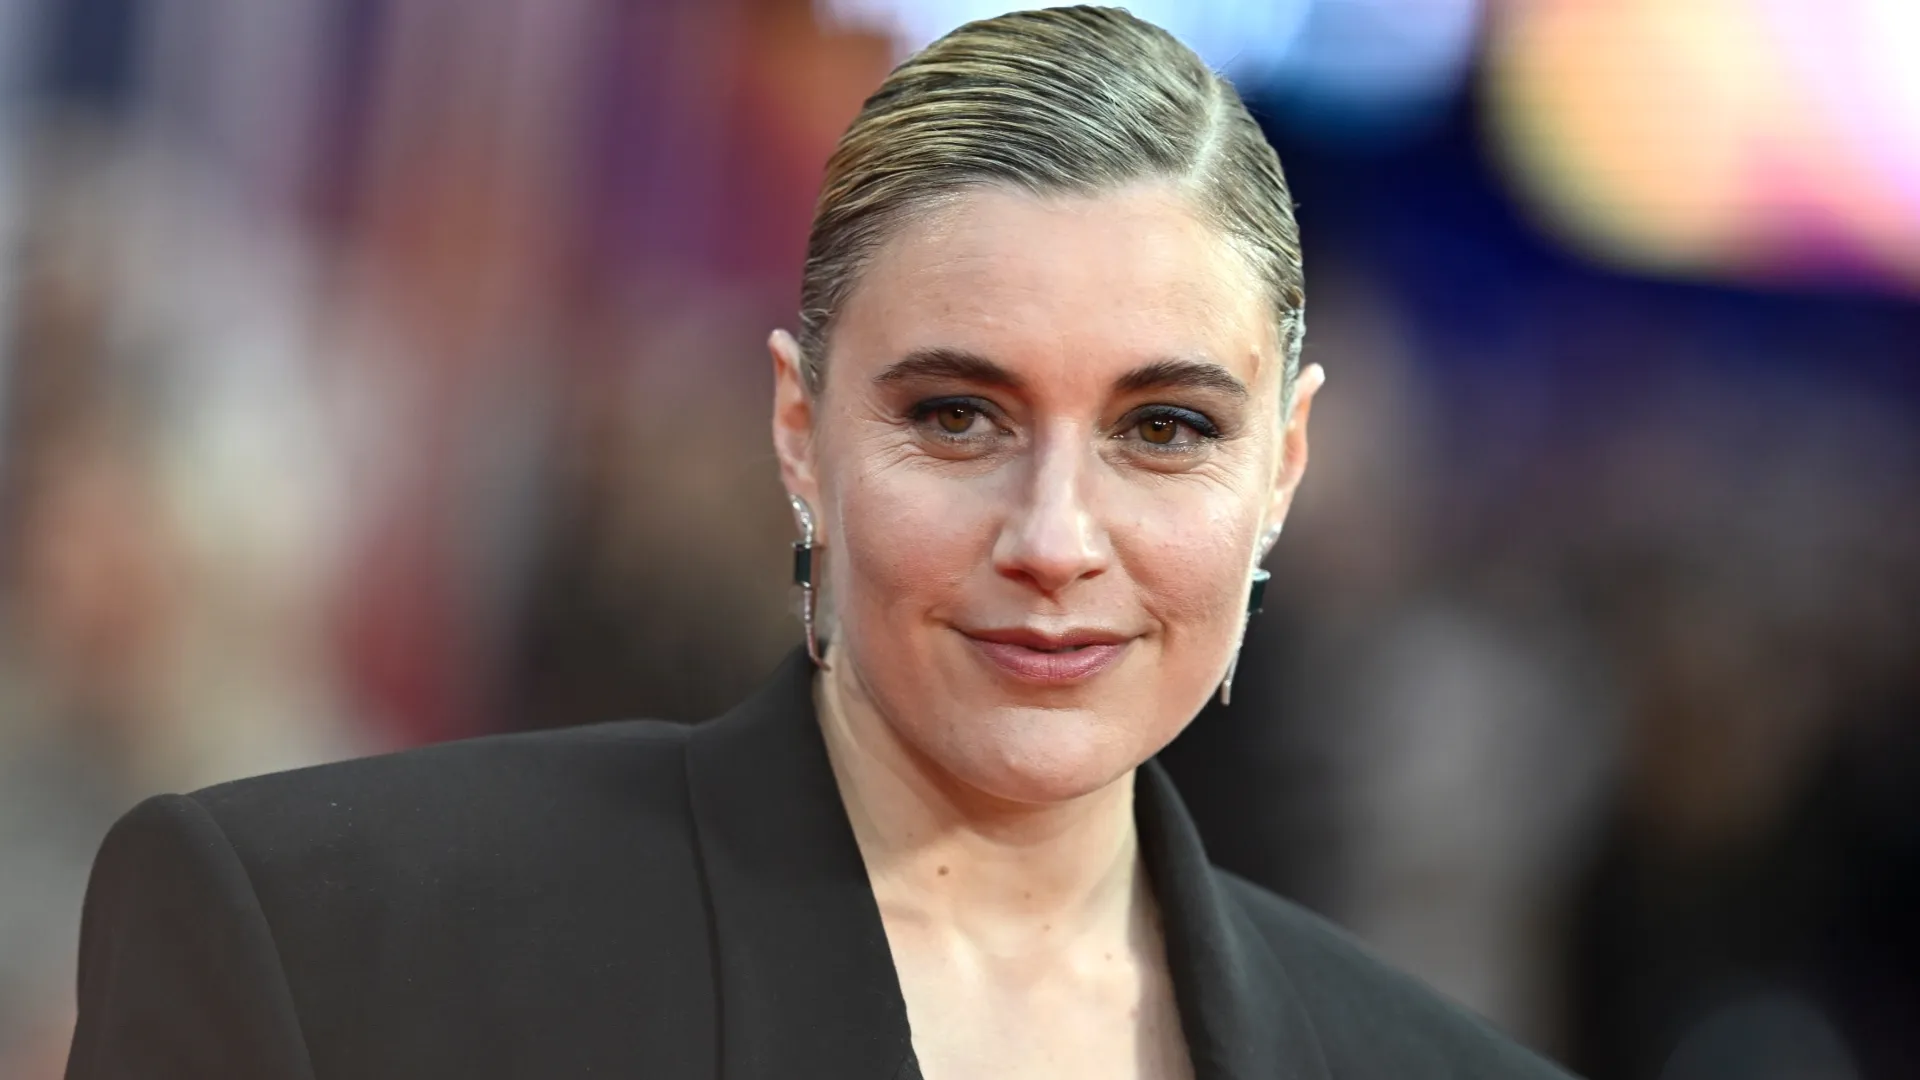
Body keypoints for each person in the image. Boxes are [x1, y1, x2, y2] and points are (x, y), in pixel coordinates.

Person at [65, 8, 1576, 1078]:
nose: (1056, 537)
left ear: (1283, 467)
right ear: (800, 431)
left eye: (1165, 428)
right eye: (958, 417)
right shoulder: (330, 949)